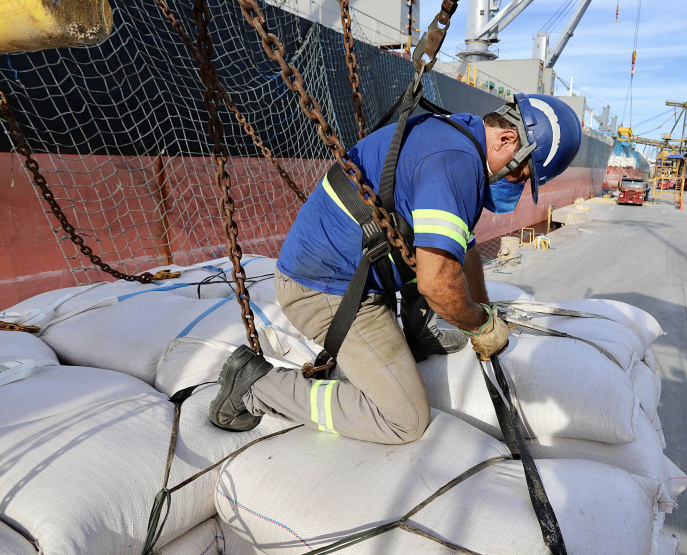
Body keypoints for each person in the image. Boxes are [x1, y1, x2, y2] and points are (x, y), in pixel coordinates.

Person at [208, 93, 582, 444]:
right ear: (506, 139)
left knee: (440, 256)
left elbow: (461, 247)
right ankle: (256, 385)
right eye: (522, 173)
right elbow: (436, 283)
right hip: (323, 290)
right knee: (405, 420)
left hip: (346, 267)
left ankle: (418, 335)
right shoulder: (455, 162)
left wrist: (484, 308)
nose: (517, 183)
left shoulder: (458, 134)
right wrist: (479, 326)